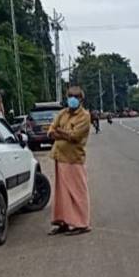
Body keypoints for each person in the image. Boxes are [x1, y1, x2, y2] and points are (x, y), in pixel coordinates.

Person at [48, 86, 92, 236]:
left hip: (74, 159)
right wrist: (61, 133)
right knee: (62, 193)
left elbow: (75, 137)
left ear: (81, 99)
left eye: (75, 96)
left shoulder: (84, 116)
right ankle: (63, 221)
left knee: (78, 192)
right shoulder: (62, 113)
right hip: (59, 157)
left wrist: (60, 132)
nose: (72, 99)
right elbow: (51, 131)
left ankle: (82, 223)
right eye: (70, 96)